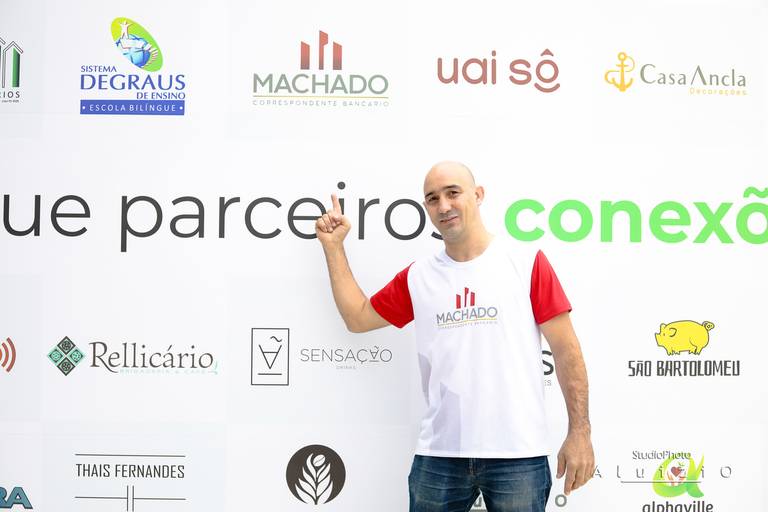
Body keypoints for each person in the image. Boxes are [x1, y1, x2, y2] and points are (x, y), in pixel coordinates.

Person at [315, 161, 594, 512]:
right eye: (433, 198)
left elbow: (567, 351)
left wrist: (580, 432)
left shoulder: (525, 262)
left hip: (518, 455)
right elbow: (357, 318)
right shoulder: (418, 277)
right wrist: (333, 247)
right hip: (439, 457)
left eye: (453, 193)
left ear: (478, 195)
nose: (444, 205)